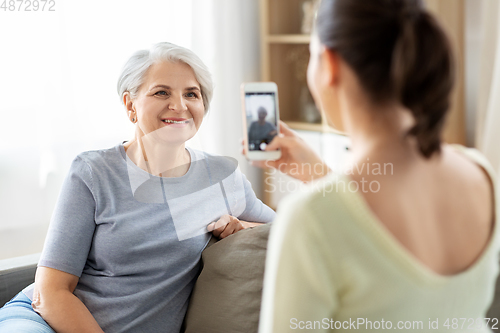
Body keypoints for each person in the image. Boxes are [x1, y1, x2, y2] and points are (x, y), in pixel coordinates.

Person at [256, 0, 499, 332]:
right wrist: (322, 178)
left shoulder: (308, 219)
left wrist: (324, 194)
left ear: (329, 63)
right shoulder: (481, 175)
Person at [0, 42, 275, 333]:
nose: (179, 106)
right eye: (161, 92)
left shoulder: (222, 176)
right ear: (130, 104)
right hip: (44, 321)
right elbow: (50, 293)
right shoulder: (93, 172)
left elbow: (288, 229)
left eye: (191, 94)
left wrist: (242, 226)